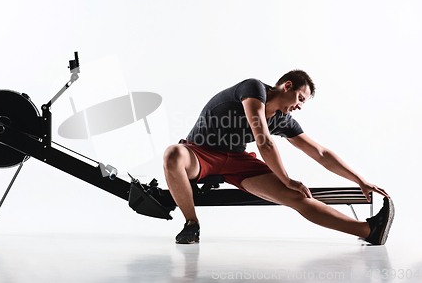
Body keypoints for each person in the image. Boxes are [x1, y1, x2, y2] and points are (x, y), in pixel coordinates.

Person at [163, 70, 394, 245]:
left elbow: (321, 153)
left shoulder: (282, 120)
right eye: (301, 98)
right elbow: (263, 140)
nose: (300, 106)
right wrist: (286, 178)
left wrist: (359, 180)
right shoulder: (253, 89)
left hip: (236, 160)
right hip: (200, 152)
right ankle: (192, 224)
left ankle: (368, 231)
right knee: (172, 154)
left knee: (296, 197)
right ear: (288, 85)